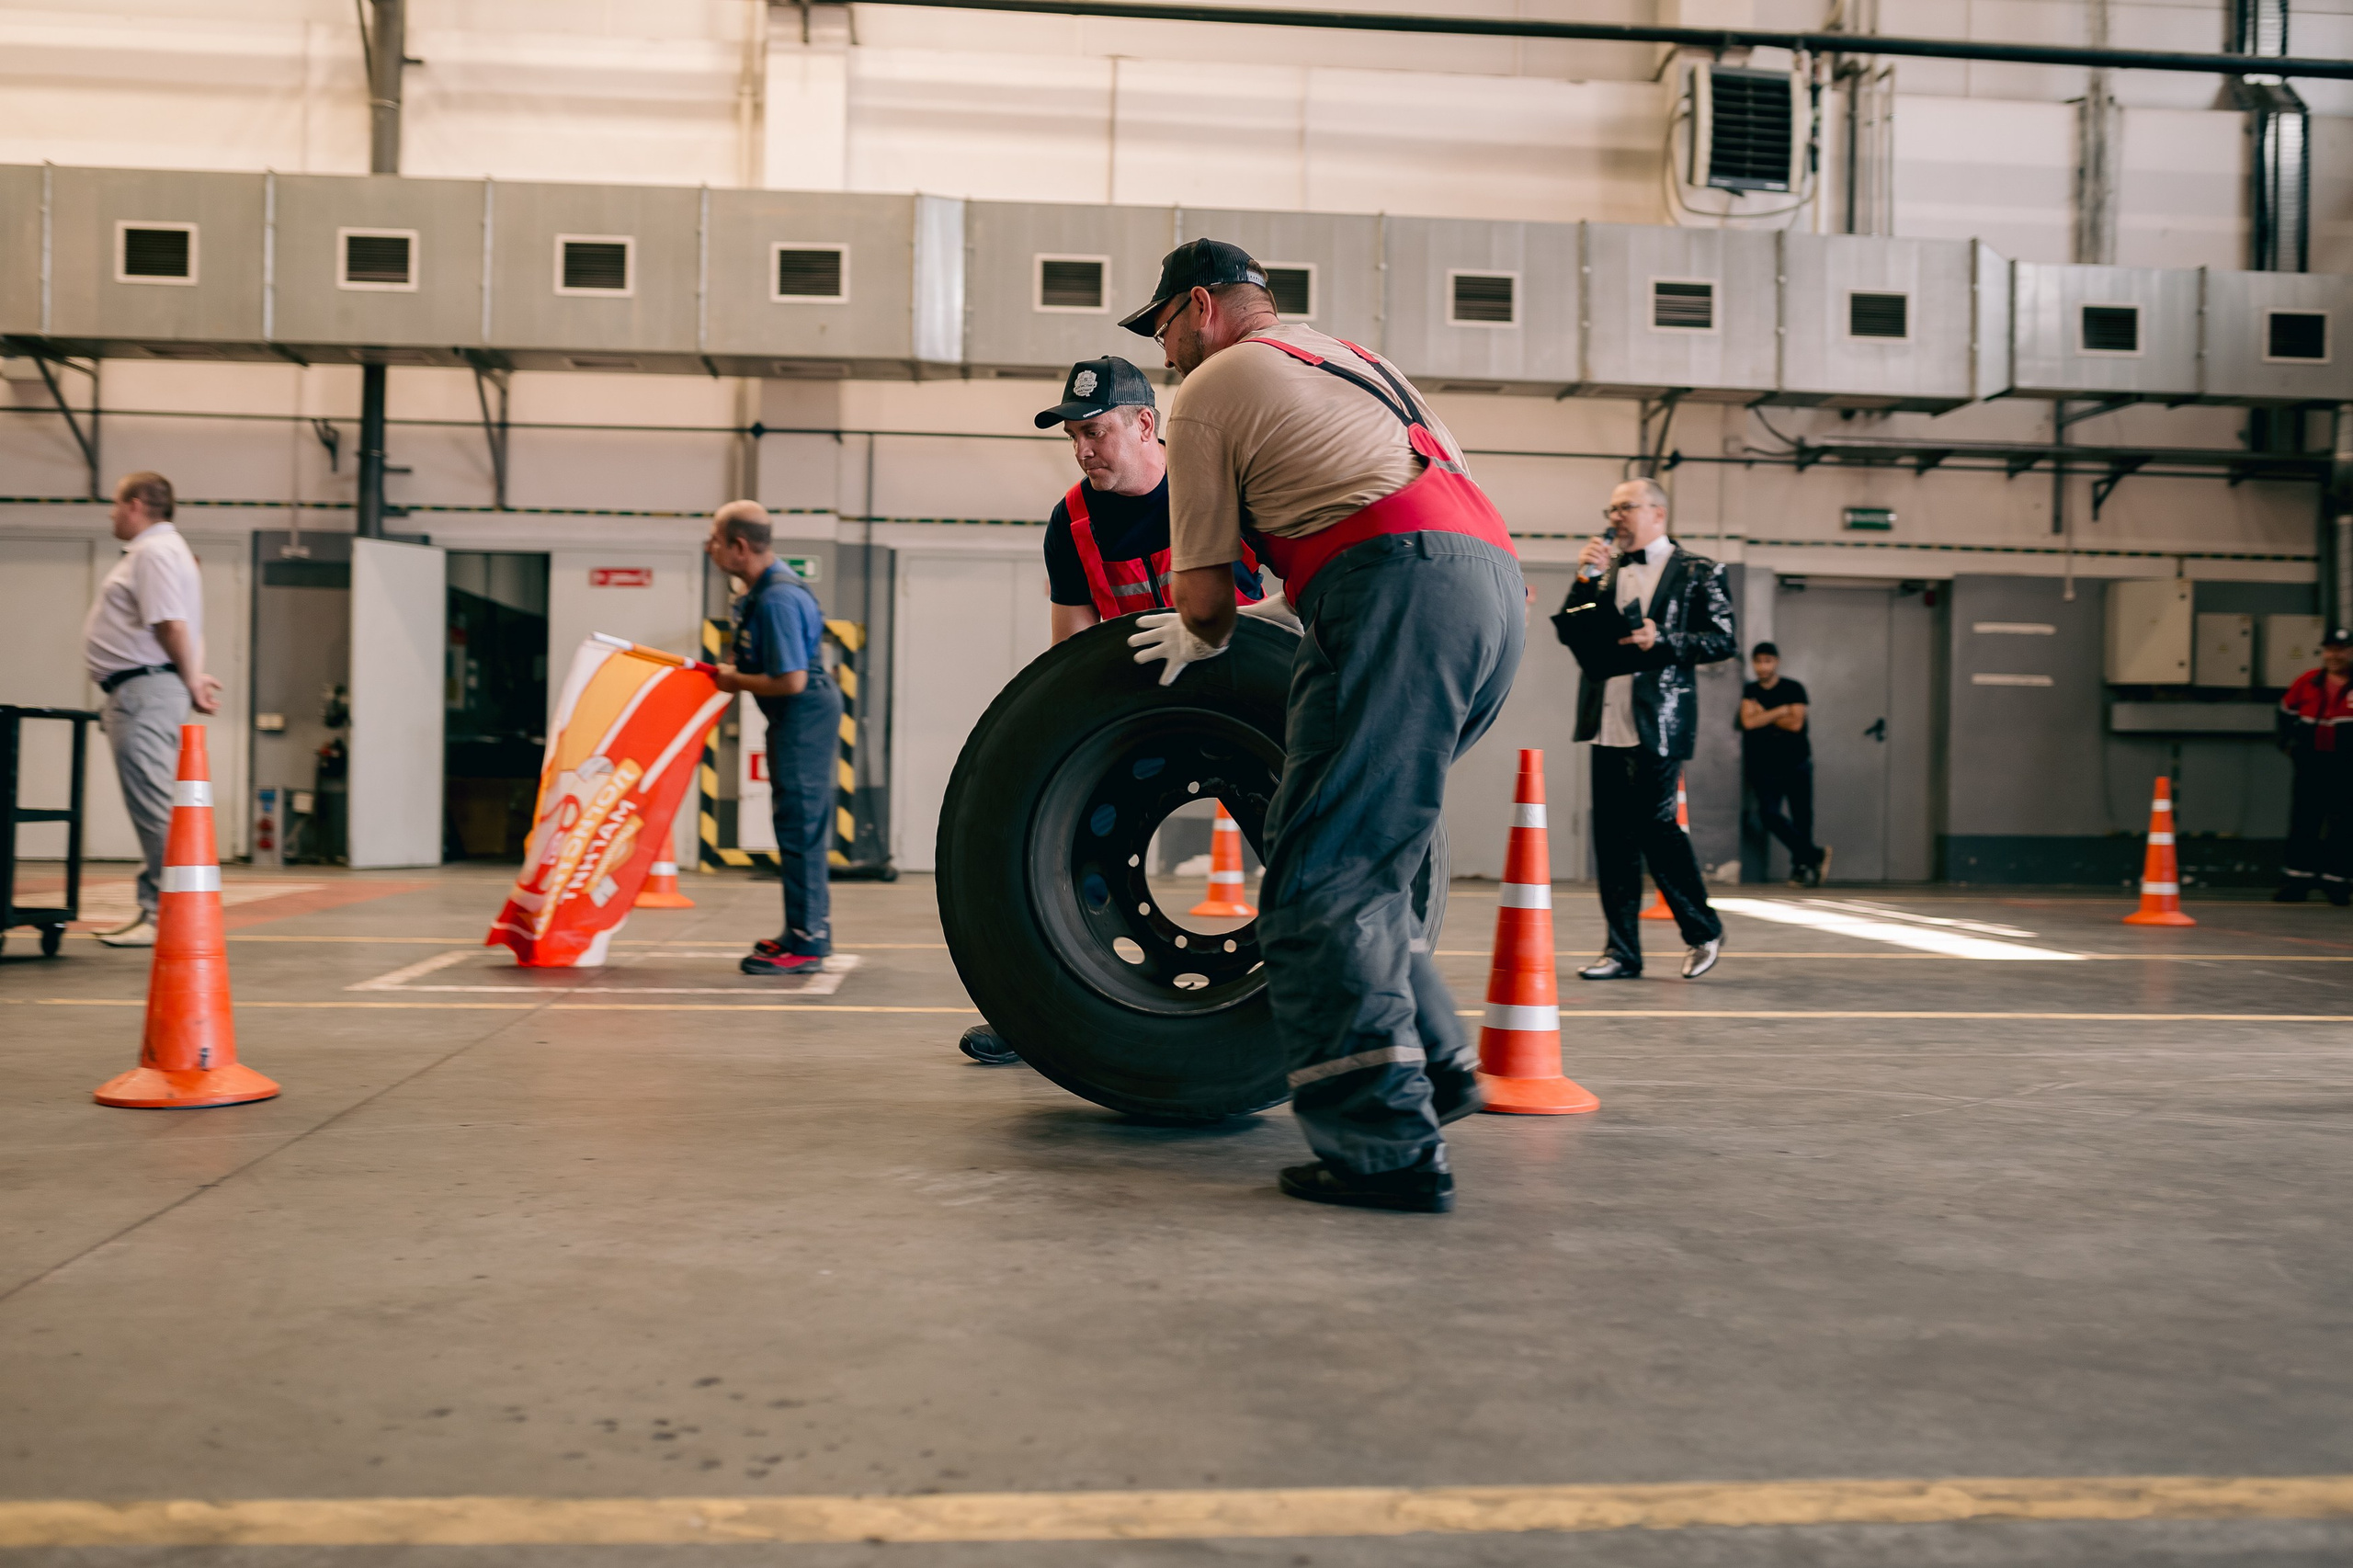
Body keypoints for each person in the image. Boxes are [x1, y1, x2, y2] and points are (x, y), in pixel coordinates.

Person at [1122, 237, 1524, 1214]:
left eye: (1163, 327)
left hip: (1397, 596)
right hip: (1486, 597)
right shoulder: (1352, 358)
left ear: (1202, 307)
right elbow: (1374, 515)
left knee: (1318, 881)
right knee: (1362, 860)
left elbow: (1206, 607)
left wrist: (1197, 628)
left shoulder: (1211, 387)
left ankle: (1385, 1147)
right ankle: (1434, 1066)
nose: (1163, 352)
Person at [958, 356, 1271, 1066]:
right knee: (1046, 839)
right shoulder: (1071, 523)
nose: (1082, 450)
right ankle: (1035, 1010)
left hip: (1246, 717)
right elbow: (1068, 658)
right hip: (1142, 715)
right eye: (1073, 436)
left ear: (1144, 424)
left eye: (1095, 431)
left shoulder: (1222, 488)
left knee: (1304, 846)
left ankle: (1312, 1004)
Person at [1561, 477, 1736, 981]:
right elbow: (1574, 627)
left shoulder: (1700, 571)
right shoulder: (1605, 569)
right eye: (1611, 509)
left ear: (1658, 513)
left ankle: (1702, 930)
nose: (1615, 517)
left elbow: (1723, 640)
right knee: (1611, 837)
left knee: (1656, 826)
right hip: (1605, 714)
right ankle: (1621, 952)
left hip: (1660, 718)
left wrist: (1665, 639)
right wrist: (1584, 580)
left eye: (1625, 507)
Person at [83, 472, 221, 949]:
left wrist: (191, 679)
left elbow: (171, 625)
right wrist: (190, 675)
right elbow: (184, 627)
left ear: (136, 505)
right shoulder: (165, 551)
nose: (111, 514)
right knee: (153, 805)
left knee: (155, 807)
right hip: (144, 688)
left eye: (115, 504)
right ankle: (156, 909)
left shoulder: (155, 552)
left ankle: (169, 917)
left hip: (143, 690)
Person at [705, 502, 844, 975]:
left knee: (800, 825)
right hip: (793, 716)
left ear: (740, 546)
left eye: (715, 540)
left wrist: (731, 680)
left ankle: (807, 941)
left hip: (803, 713)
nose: (710, 548)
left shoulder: (777, 598)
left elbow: (791, 680)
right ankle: (802, 929)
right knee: (795, 823)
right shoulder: (761, 591)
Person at [1739, 641, 1829, 887]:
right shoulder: (1751, 691)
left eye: (1767, 661)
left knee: (1802, 816)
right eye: (1758, 661)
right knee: (1769, 815)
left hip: (1796, 762)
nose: (1763, 667)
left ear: (1776, 662)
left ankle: (1800, 868)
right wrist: (1780, 711)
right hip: (1765, 766)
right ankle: (1814, 855)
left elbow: (1796, 723)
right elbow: (1748, 723)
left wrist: (1763, 714)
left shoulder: (1793, 688)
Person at [2275, 626, 2353, 905]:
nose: (2335, 655)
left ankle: (2337, 884)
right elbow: (2285, 714)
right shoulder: (2306, 682)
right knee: (2304, 822)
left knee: (2344, 825)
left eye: (2341, 650)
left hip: (2346, 767)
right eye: (2330, 650)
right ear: (2323, 652)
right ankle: (2297, 882)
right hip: (2311, 765)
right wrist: (2288, 746)